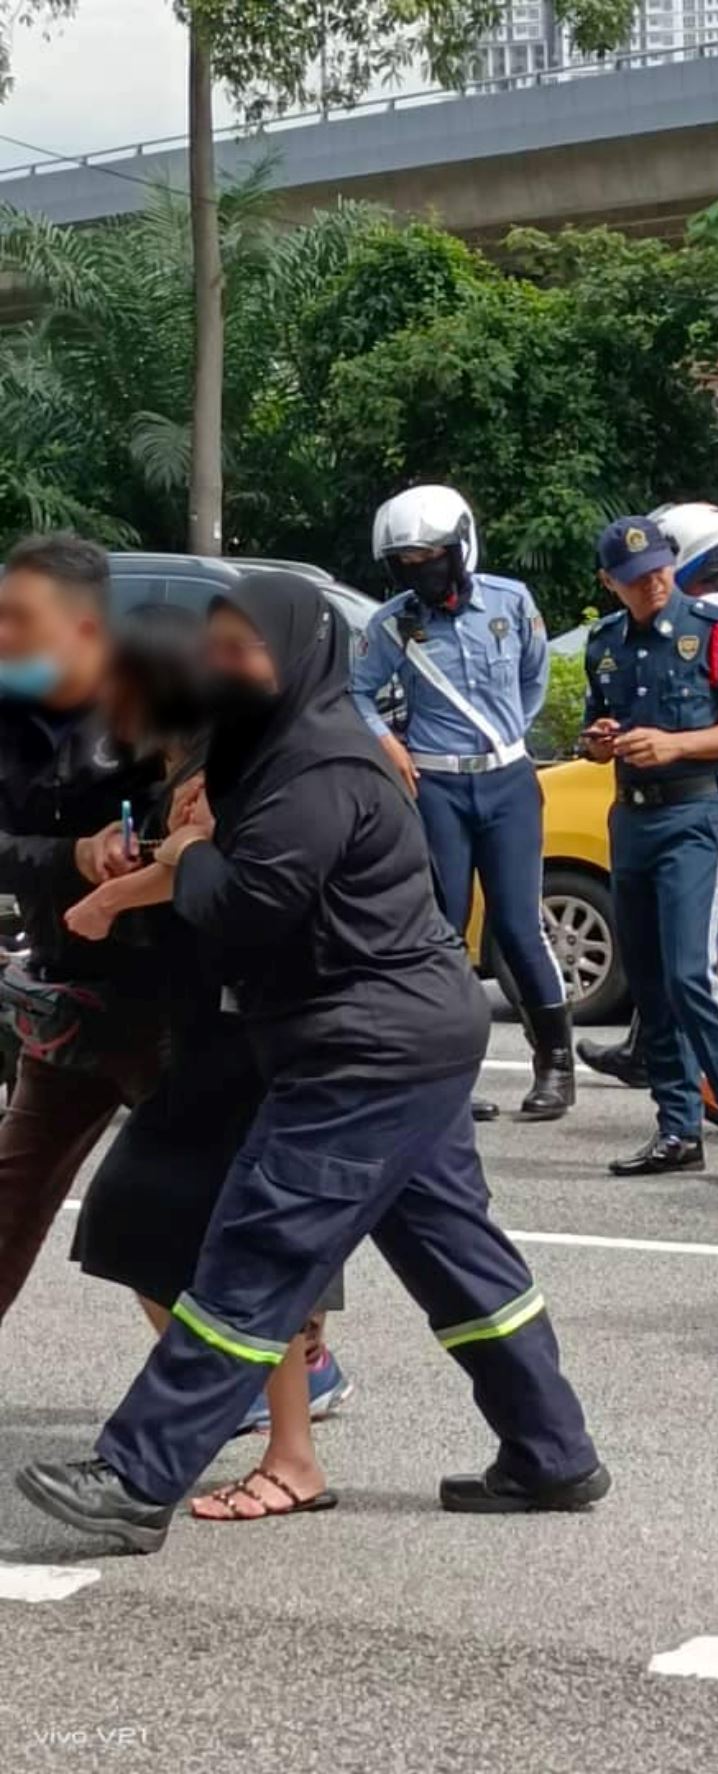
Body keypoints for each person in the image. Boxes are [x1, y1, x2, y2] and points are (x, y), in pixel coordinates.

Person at [16, 571, 609, 1550]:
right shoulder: (278, 744)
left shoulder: (317, 764)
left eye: (246, 648)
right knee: (460, 1261)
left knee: (255, 1249)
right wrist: (170, 848)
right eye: (221, 647)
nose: (226, 665)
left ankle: (133, 1475)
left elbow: (250, 905)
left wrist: (192, 856)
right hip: (402, 1033)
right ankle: (552, 1450)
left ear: (298, 651)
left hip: (362, 1047)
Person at [67, 602, 350, 1492]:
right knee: (191, 1234)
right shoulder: (168, 761)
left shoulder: (236, 756)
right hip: (203, 1028)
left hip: (251, 1031)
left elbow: (226, 865)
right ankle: (277, 1397)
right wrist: (114, 853)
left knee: (211, 1235)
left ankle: (271, 1423)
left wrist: (119, 892)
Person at [353, 485, 572, 1125]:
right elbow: (358, 693)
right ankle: (446, 1071)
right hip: (435, 785)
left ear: (459, 548)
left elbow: (534, 676)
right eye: (405, 561)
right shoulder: (392, 622)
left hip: (506, 782)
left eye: (429, 556)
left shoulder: (511, 602)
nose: (418, 570)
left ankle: (555, 1064)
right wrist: (388, 746)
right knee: (440, 927)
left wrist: (507, 737)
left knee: (517, 923)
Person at [0, 534, 167, 1326]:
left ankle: (291, 1371)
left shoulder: (163, 701)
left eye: (22, 621)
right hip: (68, 991)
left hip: (173, 1002)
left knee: (162, 1200)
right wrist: (73, 854)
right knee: (15, 1189)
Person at [582, 515, 718, 1187]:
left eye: (661, 568)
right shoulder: (606, 643)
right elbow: (593, 725)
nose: (654, 582)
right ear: (612, 584)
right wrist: (600, 742)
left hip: (697, 810)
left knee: (692, 970)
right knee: (651, 978)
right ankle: (675, 1127)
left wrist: (674, 744)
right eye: (636, 578)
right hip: (632, 816)